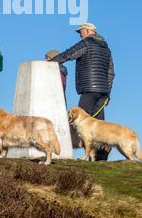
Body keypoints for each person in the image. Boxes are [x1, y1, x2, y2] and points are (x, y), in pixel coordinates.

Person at [49, 23, 115, 161]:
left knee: (79, 121)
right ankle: (101, 157)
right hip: (102, 92)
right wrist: (107, 93)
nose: (80, 35)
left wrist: (52, 62)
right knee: (100, 126)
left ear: (87, 31)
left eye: (80, 32)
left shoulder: (87, 43)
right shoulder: (106, 48)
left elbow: (70, 54)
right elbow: (111, 73)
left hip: (88, 89)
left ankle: (64, 151)